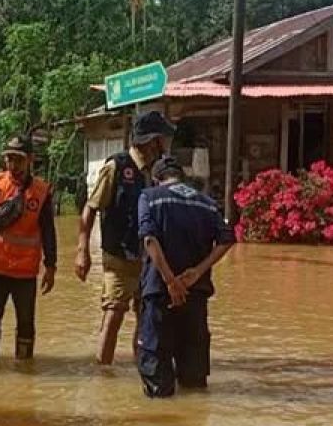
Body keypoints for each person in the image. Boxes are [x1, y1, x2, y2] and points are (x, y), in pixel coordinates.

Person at [74, 110, 176, 364]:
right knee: (114, 315)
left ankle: (141, 370)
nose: (164, 145)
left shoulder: (156, 173)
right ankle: (102, 374)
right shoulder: (116, 167)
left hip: (147, 259)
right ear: (152, 141)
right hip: (118, 258)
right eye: (162, 139)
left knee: (146, 317)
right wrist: (82, 250)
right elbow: (90, 208)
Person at [136, 155, 236, 398]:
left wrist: (171, 281)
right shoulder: (207, 203)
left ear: (156, 179)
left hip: (160, 295)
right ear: (182, 178)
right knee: (194, 382)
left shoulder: (149, 197)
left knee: (158, 383)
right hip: (196, 297)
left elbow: (149, 239)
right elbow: (227, 239)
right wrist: (198, 271)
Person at [0, 135, 57, 360]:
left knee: (26, 324)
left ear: (30, 160)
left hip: (25, 273)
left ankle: (25, 370)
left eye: (18, 160)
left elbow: (48, 231)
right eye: (9, 159)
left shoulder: (41, 191)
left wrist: (51, 266)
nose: (13, 165)